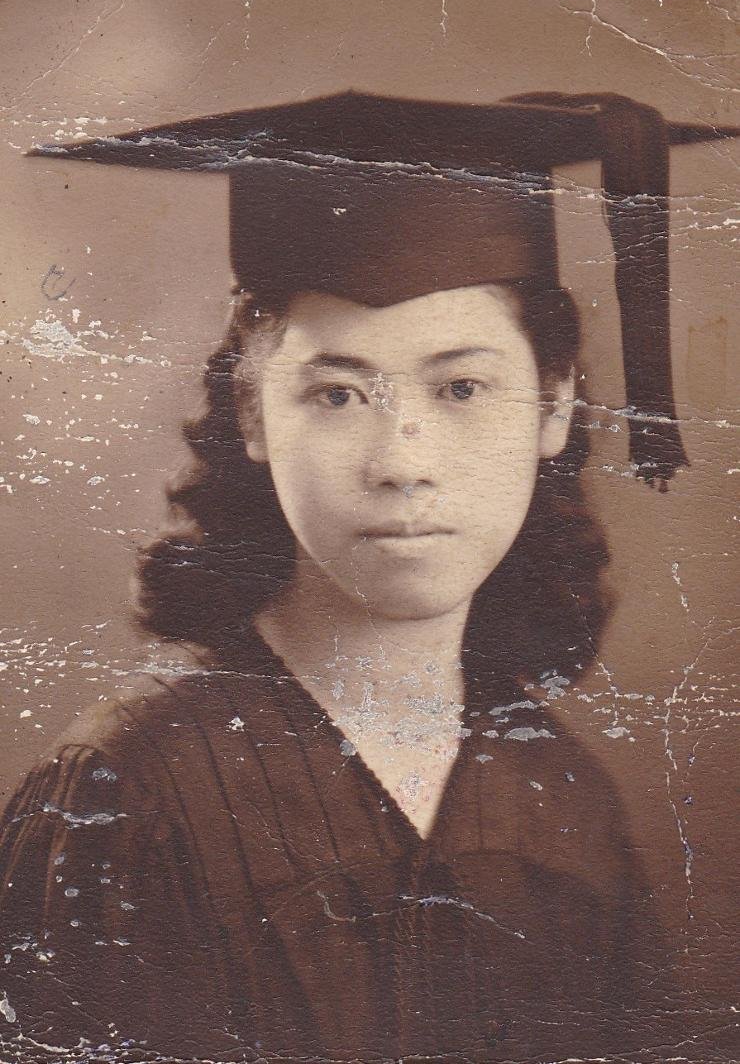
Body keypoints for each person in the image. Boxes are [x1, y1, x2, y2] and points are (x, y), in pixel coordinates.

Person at [1, 92, 734, 1064]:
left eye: (461, 387)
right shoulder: (125, 793)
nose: (401, 461)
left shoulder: (564, 800)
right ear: (253, 414)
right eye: (337, 394)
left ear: (552, 404)